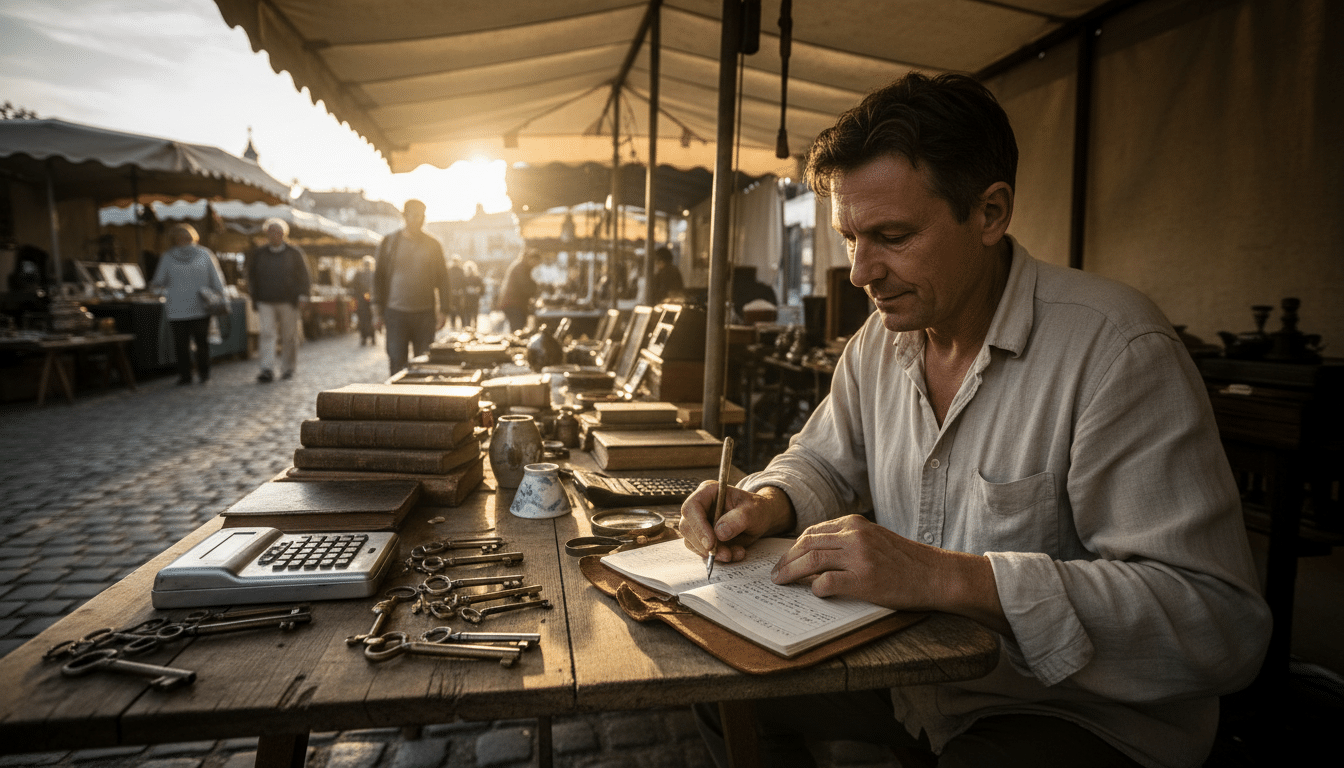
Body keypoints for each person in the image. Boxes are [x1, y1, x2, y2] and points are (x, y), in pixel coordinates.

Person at [680, 72, 1270, 768]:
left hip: (1071, 712)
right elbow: (824, 461)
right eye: (849, 238)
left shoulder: (1116, 350)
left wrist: (948, 578)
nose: (861, 273)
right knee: (715, 683)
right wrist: (767, 502)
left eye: (892, 235)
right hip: (915, 680)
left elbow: (1217, 625)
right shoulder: (881, 340)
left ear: (990, 212)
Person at [373, 199, 452, 376]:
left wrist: (444, 310)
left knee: (423, 363)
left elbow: (443, 279)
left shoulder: (433, 245)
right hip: (395, 313)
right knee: (396, 361)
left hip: (424, 314)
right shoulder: (389, 242)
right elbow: (378, 277)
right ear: (405, 216)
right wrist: (376, 311)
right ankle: (396, 400)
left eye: (422, 216)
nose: (418, 220)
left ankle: (420, 401)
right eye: (414, 216)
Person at [150, 224, 227, 385]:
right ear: (174, 239)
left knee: (201, 343)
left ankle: (204, 373)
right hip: (177, 309)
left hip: (200, 306)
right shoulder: (168, 257)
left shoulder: (204, 254)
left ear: (193, 237)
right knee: (181, 345)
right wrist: (163, 293)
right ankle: (185, 375)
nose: (184, 239)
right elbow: (158, 282)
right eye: (180, 236)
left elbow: (216, 278)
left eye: (187, 236)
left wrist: (221, 296)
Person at [246, 218, 311, 382]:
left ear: (283, 234)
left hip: (288, 300)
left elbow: (304, 276)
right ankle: (266, 369)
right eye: (271, 232)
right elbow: (251, 276)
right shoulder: (259, 254)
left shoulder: (294, 253)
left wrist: (303, 295)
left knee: (289, 336)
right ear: (267, 234)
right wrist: (254, 295)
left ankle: (288, 367)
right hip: (265, 300)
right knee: (267, 334)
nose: (274, 235)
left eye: (277, 232)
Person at [498, 249, 542, 332]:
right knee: (517, 330)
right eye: (536, 262)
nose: (536, 265)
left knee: (518, 329)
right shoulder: (521, 268)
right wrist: (535, 289)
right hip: (513, 304)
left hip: (514, 304)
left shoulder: (522, 266)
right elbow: (525, 287)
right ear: (532, 259)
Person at [350, 255, 377, 346]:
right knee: (364, 319)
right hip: (363, 300)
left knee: (369, 319)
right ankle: (365, 337)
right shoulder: (359, 274)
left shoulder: (373, 274)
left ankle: (371, 337)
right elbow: (354, 288)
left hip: (370, 301)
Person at [456, 259, 484, 329]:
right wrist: (467, 290)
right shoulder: (463, 279)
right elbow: (460, 289)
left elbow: (482, 289)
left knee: (475, 318)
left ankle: (474, 331)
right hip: (466, 301)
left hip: (475, 301)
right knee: (467, 319)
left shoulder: (477, 278)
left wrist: (477, 290)